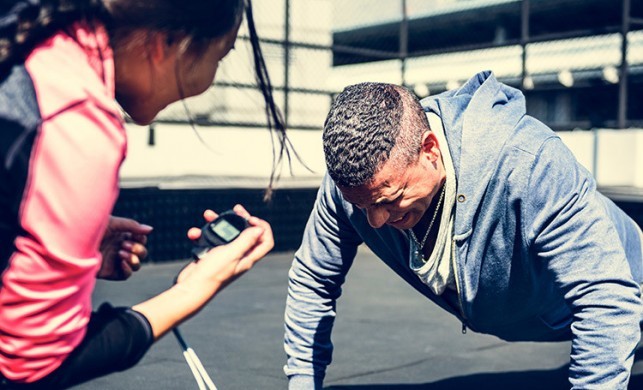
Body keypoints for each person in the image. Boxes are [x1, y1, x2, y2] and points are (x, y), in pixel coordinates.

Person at [283, 70, 643, 389]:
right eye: (364, 206)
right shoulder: (353, 188)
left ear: (429, 149)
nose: (375, 220)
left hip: (630, 277)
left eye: (390, 200)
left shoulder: (528, 164)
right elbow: (314, 279)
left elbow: (606, 300)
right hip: (537, 311)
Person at [0, 0, 287, 388]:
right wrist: (194, 288)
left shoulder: (34, 48)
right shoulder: (78, 123)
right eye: (219, 57)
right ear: (166, 44)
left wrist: (36, 241)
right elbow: (29, 367)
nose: (210, 79)